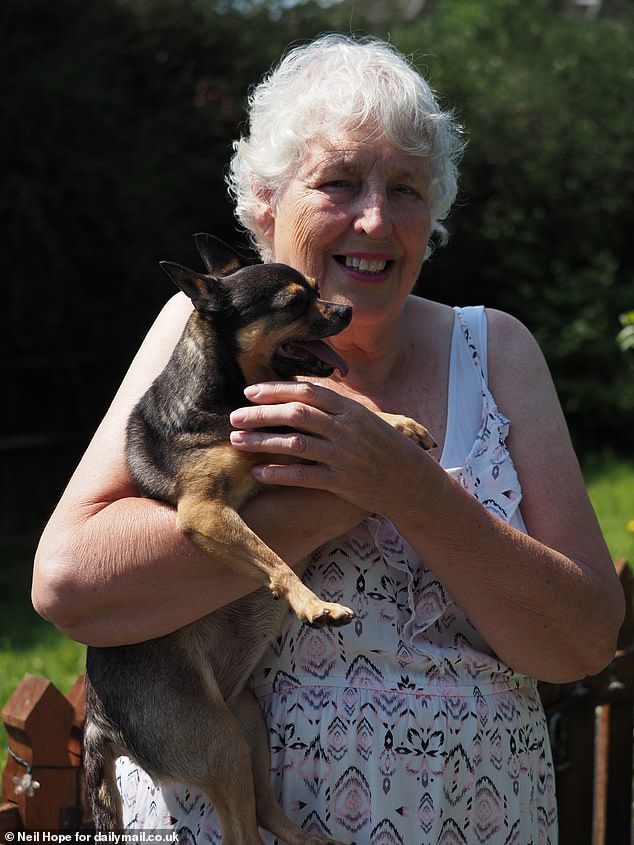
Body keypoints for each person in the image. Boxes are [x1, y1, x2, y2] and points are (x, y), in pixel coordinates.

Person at [33, 34, 624, 845]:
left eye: (407, 189)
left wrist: (410, 489)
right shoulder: (197, 334)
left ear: (434, 215)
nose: (376, 218)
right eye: (339, 182)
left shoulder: (498, 351)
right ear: (266, 203)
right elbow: (67, 586)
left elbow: (586, 638)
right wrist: (321, 501)